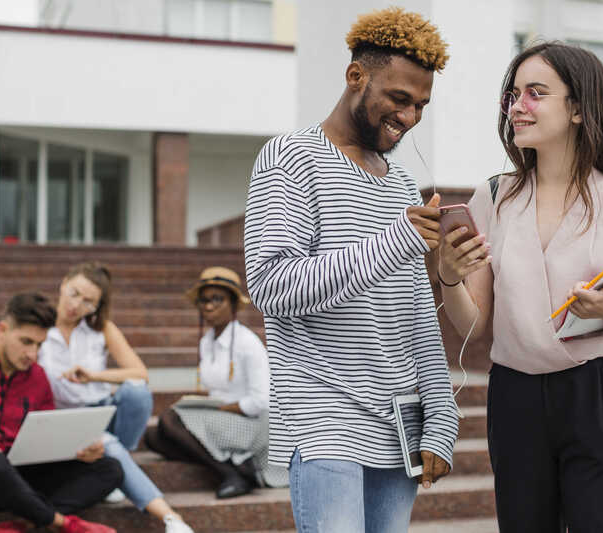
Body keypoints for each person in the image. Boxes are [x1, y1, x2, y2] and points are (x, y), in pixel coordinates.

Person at [243, 7, 459, 533]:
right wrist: (397, 240)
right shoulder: (290, 158)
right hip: (322, 421)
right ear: (355, 76)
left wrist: (441, 414)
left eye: (421, 105)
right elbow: (270, 285)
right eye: (399, 99)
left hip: (398, 426)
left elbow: (414, 311)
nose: (409, 117)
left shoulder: (404, 184)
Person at [439, 42, 603, 533]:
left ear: (578, 108)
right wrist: (449, 275)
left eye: (536, 93)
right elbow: (473, 322)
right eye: (513, 95)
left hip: (596, 390)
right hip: (514, 394)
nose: (518, 106)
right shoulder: (494, 196)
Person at [0, 293, 122, 533]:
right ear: (3, 329)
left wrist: (79, 451)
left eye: (40, 345)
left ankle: (24, 525)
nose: (33, 354)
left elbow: (47, 437)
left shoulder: (37, 377)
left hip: (19, 475)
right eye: (26, 342)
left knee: (110, 468)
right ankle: (62, 523)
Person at [37, 262, 195, 533]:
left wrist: (94, 376)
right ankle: (171, 518)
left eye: (89, 302)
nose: (77, 305)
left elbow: (140, 372)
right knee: (108, 444)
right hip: (66, 418)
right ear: (63, 284)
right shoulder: (39, 328)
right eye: (74, 293)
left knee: (136, 390)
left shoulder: (100, 329)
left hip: (103, 411)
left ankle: (119, 465)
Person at [144, 266, 284, 499]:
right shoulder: (207, 341)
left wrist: (217, 409)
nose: (208, 306)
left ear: (233, 304)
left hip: (252, 422)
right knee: (154, 439)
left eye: (217, 299)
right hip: (221, 417)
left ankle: (229, 474)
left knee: (170, 420)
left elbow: (260, 401)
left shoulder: (247, 343)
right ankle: (238, 465)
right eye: (204, 300)